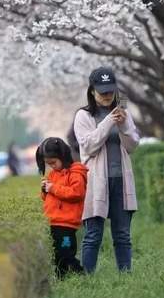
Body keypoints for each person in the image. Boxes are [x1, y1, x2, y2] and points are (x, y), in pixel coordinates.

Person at [73, 67, 140, 273]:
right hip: (95, 181)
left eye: (110, 91)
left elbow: (132, 145)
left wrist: (123, 126)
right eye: (102, 92)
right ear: (92, 91)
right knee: (93, 234)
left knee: (122, 235)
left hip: (121, 179)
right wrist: (109, 121)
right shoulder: (83, 116)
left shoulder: (124, 114)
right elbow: (89, 146)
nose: (106, 96)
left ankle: (126, 276)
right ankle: (87, 278)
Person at [36, 137, 87, 278]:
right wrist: (45, 190)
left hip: (66, 224)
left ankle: (82, 275)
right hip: (53, 222)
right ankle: (62, 280)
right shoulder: (53, 174)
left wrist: (53, 188)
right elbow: (47, 198)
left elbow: (77, 193)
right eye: (48, 164)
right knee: (57, 256)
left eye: (53, 162)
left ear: (63, 156)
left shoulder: (76, 173)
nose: (51, 166)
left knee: (66, 253)